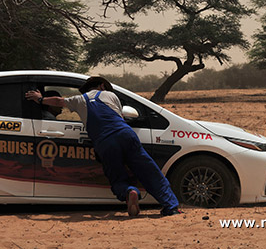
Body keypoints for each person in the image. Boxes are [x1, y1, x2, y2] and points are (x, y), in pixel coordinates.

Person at [25, 77, 181, 217]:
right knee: (149, 171)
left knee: (116, 176)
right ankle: (171, 207)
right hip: (125, 135)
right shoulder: (110, 95)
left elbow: (59, 101)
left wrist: (40, 99)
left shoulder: (79, 99)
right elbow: (120, 117)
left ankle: (129, 192)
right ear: (101, 86)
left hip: (105, 142)